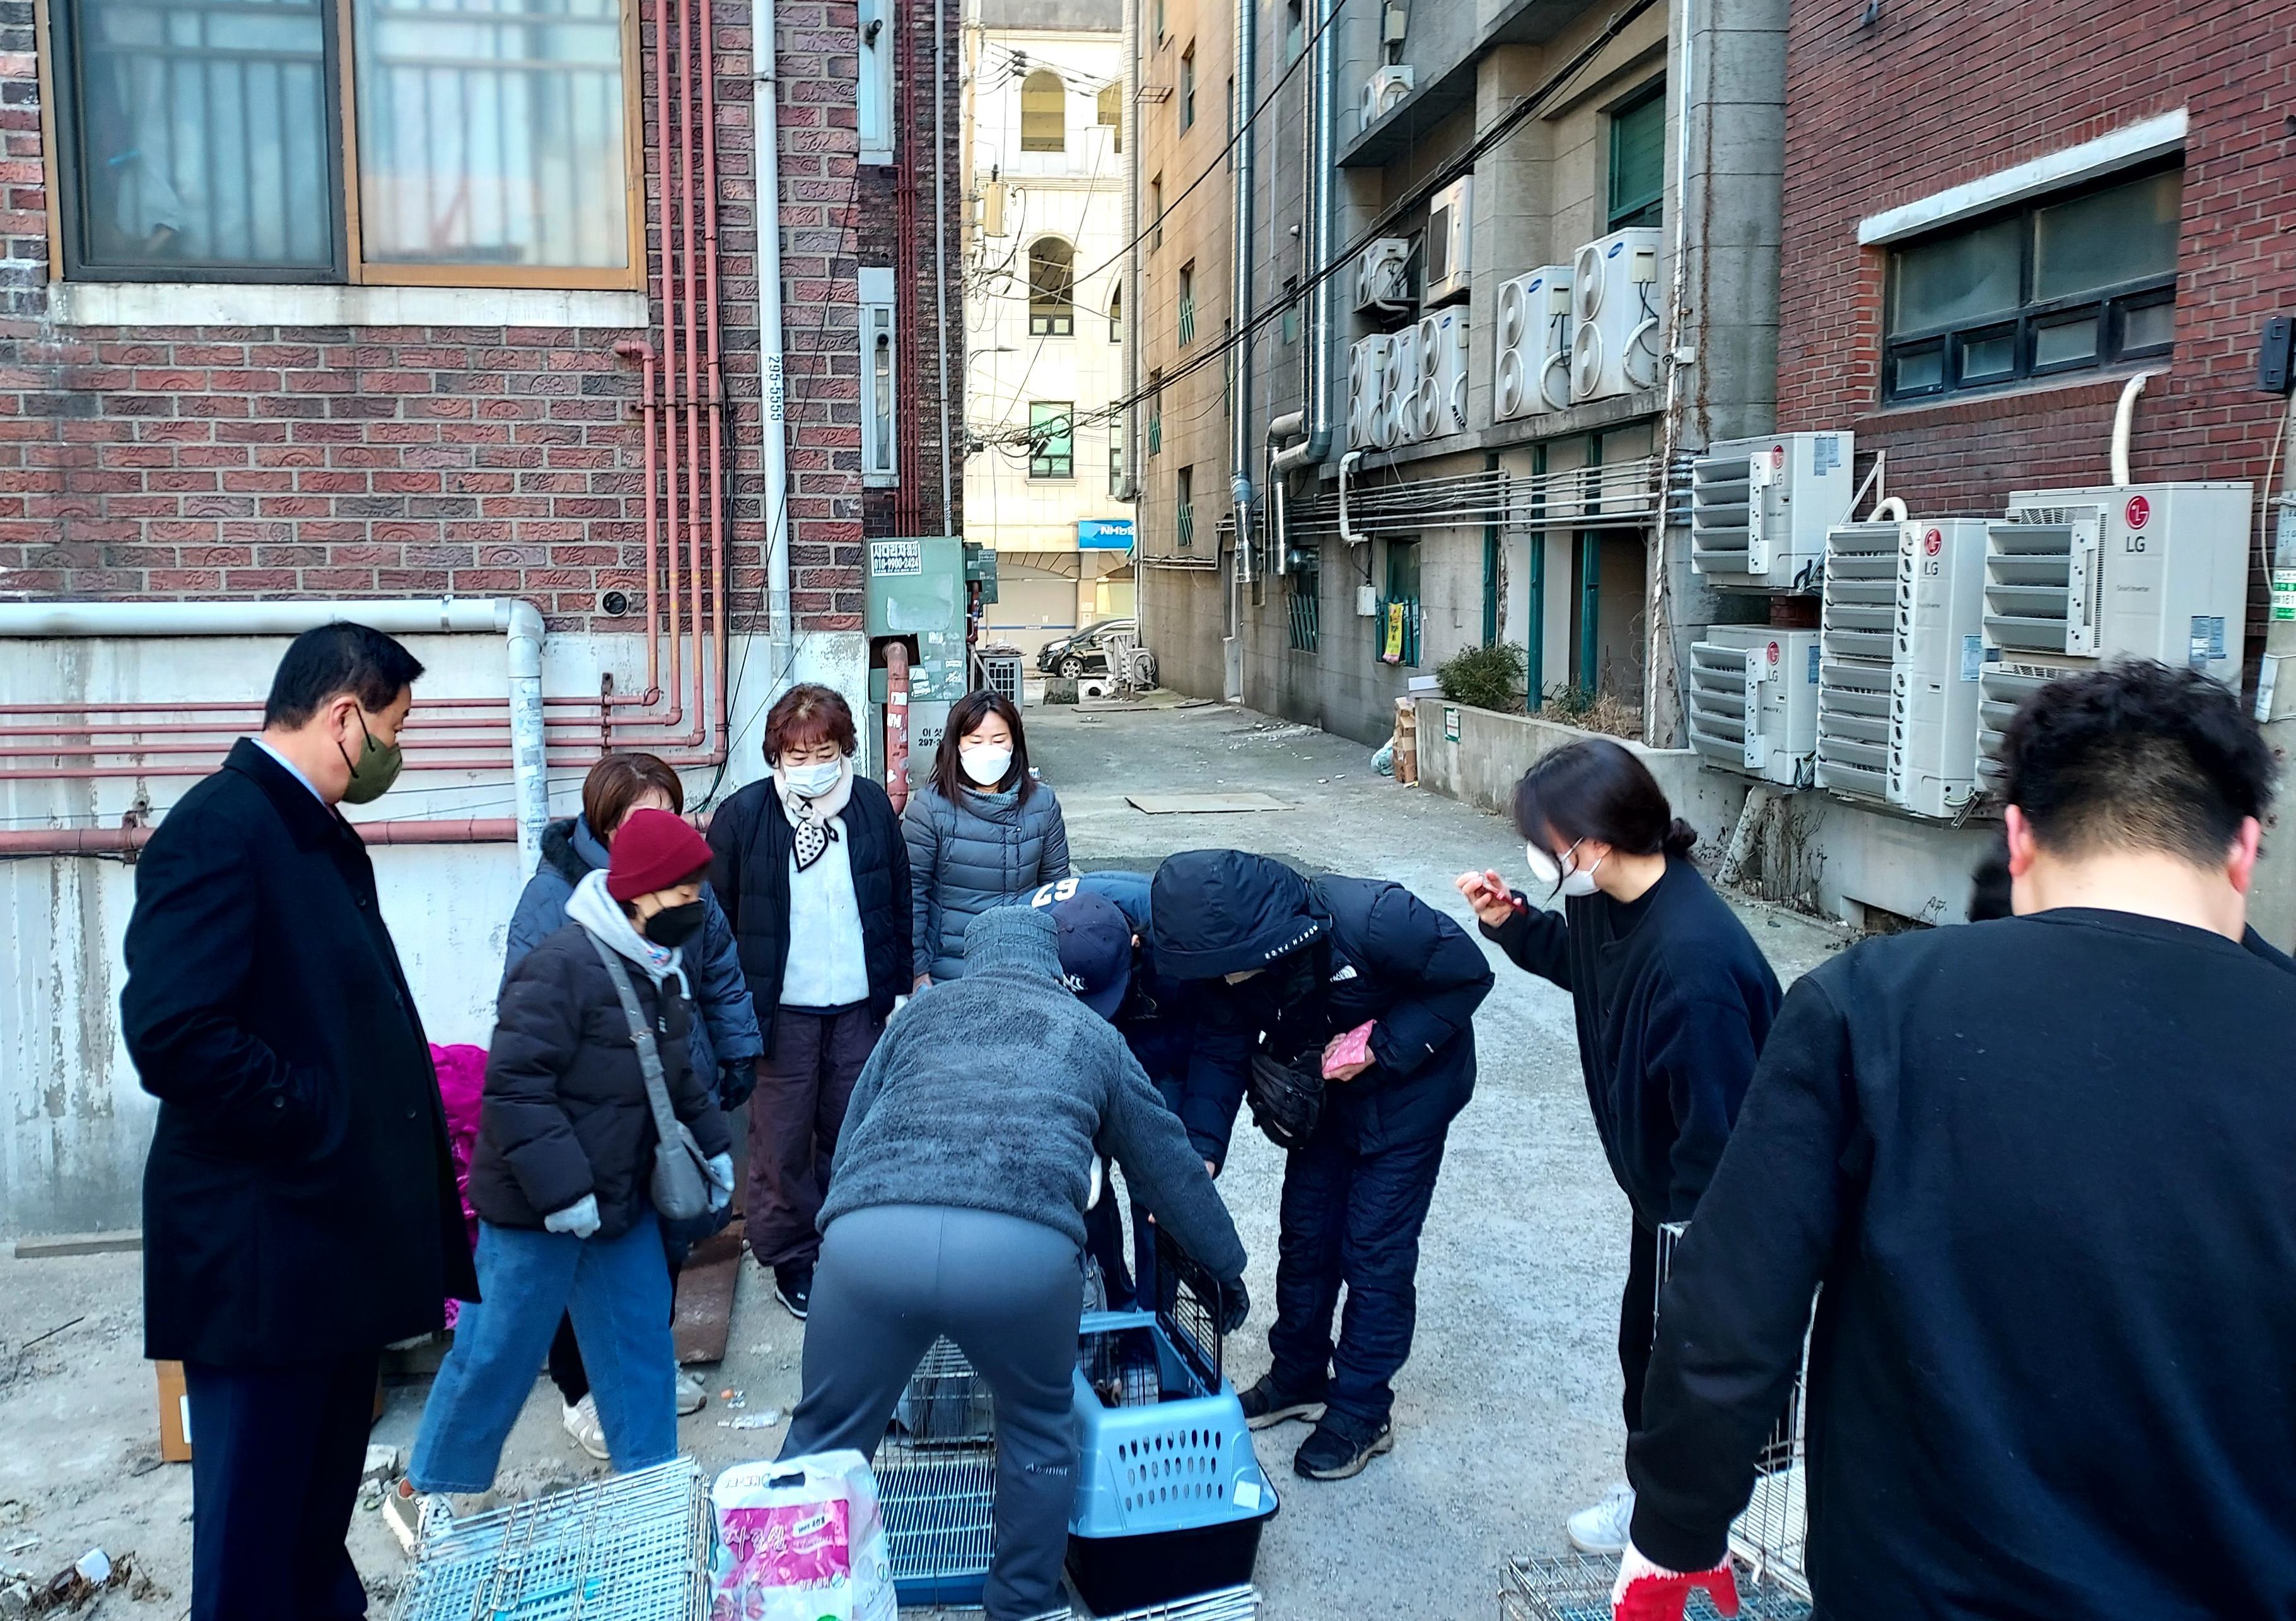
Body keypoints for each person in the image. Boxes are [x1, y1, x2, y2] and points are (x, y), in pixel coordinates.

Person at [1616, 660, 2296, 1621]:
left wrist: (1674, 1535)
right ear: (2244, 850)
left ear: (2017, 838)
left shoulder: (1870, 1006)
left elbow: (1729, 1312)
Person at [120, 621, 475, 1621]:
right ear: (345, 715)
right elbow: (176, 1034)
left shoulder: (309, 828)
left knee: (311, 1526)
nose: (399, 750)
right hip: (262, 1259)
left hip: (324, 1249)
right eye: (397, 724)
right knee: (254, 1542)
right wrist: (320, 1118)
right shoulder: (221, 827)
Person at [779, 906, 1249, 1621]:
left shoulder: (916, 1018)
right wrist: (1226, 1266)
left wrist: (839, 1231)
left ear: (974, 957)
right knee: (1036, 1430)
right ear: (1055, 966)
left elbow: (852, 1135)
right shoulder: (1092, 1034)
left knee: (823, 1436)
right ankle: (1020, 1606)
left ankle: (788, 1592)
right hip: (1018, 1251)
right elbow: (1169, 1169)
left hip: (871, 1240)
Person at [1453, 737, 1781, 1554]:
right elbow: (1590, 971)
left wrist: (1700, 1265)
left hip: (1708, 1206)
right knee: (1646, 1350)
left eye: (1544, 838)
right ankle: (1659, 1496)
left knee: (1688, 1365)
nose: (1534, 854)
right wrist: (1513, 923)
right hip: (1659, 1186)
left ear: (1593, 842)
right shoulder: (1608, 895)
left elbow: (1722, 1143)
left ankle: (1688, 1524)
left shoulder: (1693, 965)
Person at [402, 810, 733, 1528]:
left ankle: (651, 1493)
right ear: (639, 892)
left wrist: (716, 1145)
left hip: (620, 1204)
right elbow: (515, 1087)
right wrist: (565, 1190)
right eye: (681, 893)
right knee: (496, 1350)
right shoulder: (560, 966)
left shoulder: (658, 970)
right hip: (534, 1213)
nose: (693, 907)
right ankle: (429, 1488)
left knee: (639, 1345)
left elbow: (676, 1080)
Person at [1148, 850, 1493, 1481]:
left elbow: (1468, 975)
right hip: (1321, 1099)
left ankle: (1362, 1408)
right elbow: (1220, 1051)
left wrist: (1381, 1048)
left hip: (1406, 1097)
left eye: (1231, 969)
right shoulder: (1223, 962)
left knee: (1373, 1250)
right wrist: (1199, 1150)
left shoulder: (1376, 918)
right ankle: (1297, 1375)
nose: (1225, 982)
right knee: (1306, 1235)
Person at [504, 752, 763, 1452]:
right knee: (590, 1253)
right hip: (594, 1110)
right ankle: (581, 1389)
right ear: (602, 823)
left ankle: (647, 1365)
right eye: (635, 820)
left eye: (667, 813)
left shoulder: (685, 883)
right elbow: (524, 1013)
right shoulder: (553, 895)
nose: (655, 830)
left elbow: (719, 971)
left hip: (675, 1089)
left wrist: (738, 1052)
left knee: (669, 1233)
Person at [708, 684, 910, 1321]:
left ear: (843, 746)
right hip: (782, 1009)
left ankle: (850, 1247)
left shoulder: (871, 806)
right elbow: (719, 919)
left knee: (853, 1128)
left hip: (858, 1003)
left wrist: (898, 986)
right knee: (782, 1137)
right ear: (776, 753)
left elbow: (896, 903)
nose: (810, 763)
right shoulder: (743, 817)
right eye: (796, 754)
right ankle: (790, 1257)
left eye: (822, 749)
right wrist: (732, 1012)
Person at [1037, 873, 1252, 1308]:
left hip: (1165, 1045)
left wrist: (1199, 1152)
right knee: (1080, 1188)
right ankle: (1109, 1309)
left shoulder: (1184, 938)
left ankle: (1156, 1327)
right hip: (1078, 1052)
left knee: (1161, 1197)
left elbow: (1219, 1044)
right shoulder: (1028, 930)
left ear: (1134, 945)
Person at [904, 689, 1068, 986]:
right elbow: (912, 897)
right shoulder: (929, 808)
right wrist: (917, 971)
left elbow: (1058, 891)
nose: (988, 750)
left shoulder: (1042, 804)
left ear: (1015, 744)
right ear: (957, 745)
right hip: (951, 971)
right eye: (976, 741)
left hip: (1026, 966)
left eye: (998, 740)